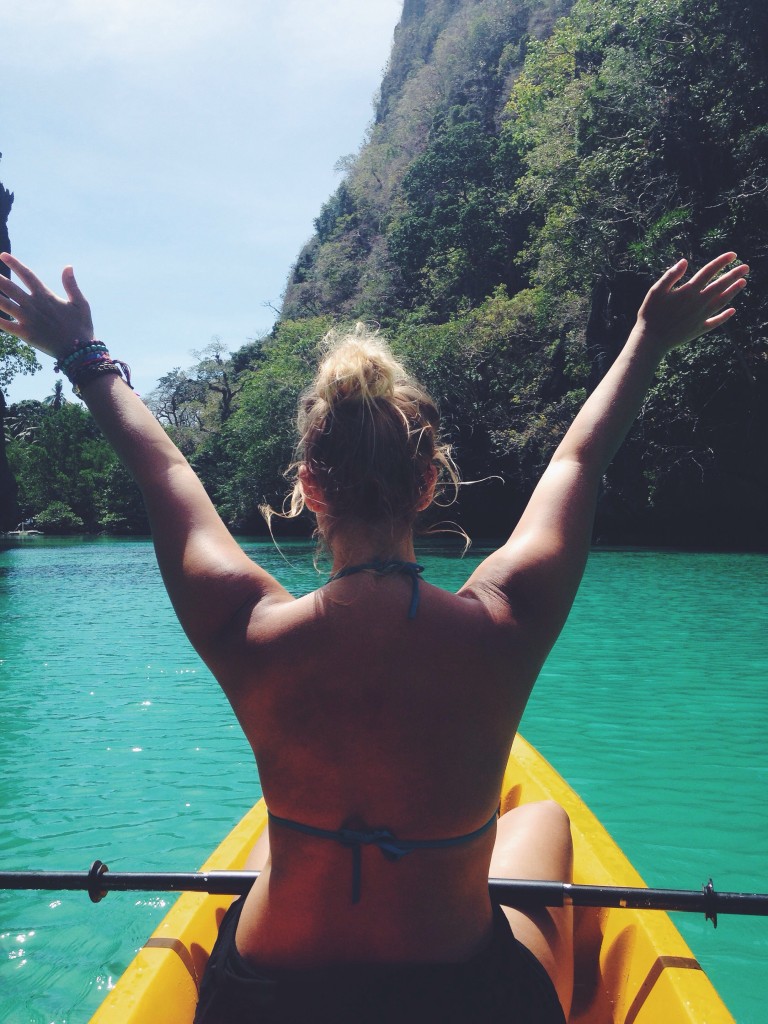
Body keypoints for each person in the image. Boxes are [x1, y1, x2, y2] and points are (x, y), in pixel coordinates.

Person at [0, 250, 748, 1023]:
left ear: (309, 487)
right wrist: (648, 340)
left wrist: (84, 358)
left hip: (265, 997)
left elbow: (166, 476)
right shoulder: (504, 624)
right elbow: (579, 462)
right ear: (429, 483)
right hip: (463, 998)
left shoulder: (248, 629)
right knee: (545, 821)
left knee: (271, 840)